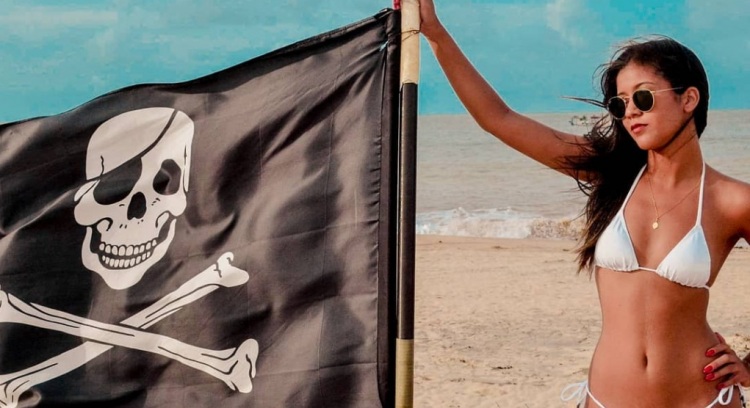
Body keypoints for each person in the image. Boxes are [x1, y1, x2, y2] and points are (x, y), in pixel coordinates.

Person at [417, 1, 750, 407]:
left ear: (689, 98)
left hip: (702, 399)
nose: (631, 112)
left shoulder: (731, 200)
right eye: (620, 104)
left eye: (643, 98)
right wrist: (436, 34)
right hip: (606, 398)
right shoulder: (613, 176)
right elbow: (498, 118)